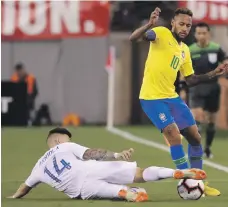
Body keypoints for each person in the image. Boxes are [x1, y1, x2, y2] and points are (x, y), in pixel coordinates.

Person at [129, 7, 228, 196]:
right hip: (151, 98)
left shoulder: (184, 50)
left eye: (188, 25)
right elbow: (134, 39)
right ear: (173, 23)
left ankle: (199, 182)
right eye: (181, 23)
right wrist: (149, 25)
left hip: (172, 98)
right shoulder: (161, 33)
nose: (185, 28)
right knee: (173, 134)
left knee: (195, 138)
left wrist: (214, 73)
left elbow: (190, 79)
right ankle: (186, 179)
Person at [7, 127, 206, 202]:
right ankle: (177, 172)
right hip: (92, 167)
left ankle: (127, 193)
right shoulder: (64, 147)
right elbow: (91, 153)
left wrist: (13, 197)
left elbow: (24, 188)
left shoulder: (38, 168)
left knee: (114, 193)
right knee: (141, 173)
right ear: (57, 141)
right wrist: (117, 155)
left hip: (82, 189)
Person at [187, 22, 226, 158]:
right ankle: (196, 148)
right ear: (195, 35)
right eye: (199, 33)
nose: (202, 36)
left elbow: (225, 60)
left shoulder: (216, 49)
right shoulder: (190, 50)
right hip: (196, 87)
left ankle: (208, 148)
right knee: (197, 116)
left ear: (209, 34)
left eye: (204, 33)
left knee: (211, 119)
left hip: (213, 87)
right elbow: (183, 70)